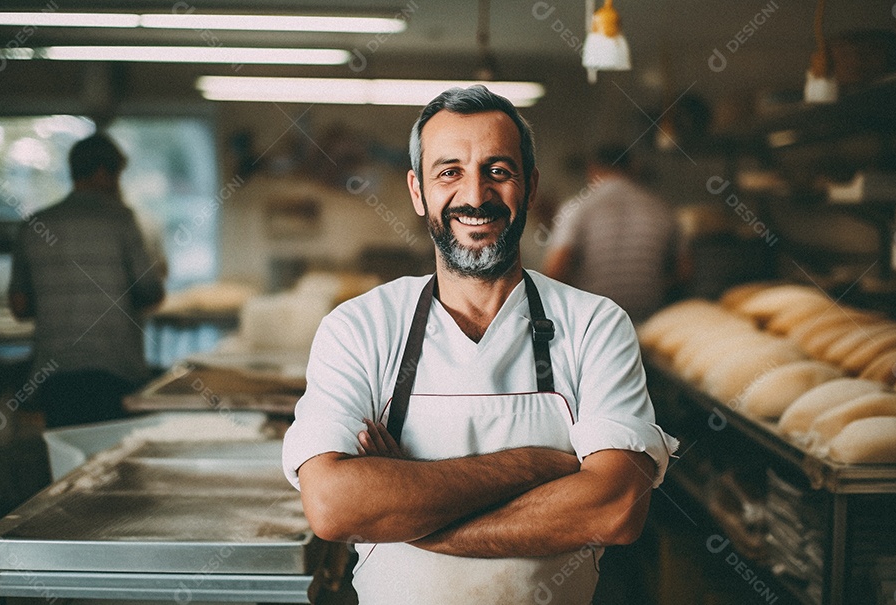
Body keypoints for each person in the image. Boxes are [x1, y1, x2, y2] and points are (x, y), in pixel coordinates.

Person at [283, 85, 677, 604]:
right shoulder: (360, 327)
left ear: (530, 188)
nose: (474, 196)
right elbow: (335, 507)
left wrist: (410, 516)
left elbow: (615, 510)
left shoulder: (595, 325)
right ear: (417, 190)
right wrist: (541, 465)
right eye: (449, 172)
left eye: (498, 171)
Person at [9, 133, 165, 428]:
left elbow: (19, 307)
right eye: (117, 175)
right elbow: (150, 293)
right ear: (102, 173)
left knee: (69, 459)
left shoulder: (33, 225)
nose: (118, 184)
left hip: (55, 374)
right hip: (116, 370)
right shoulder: (121, 220)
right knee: (110, 463)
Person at [542, 145, 687, 322]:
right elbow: (684, 272)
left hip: (593, 322)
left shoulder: (576, 207)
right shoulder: (663, 210)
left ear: (592, 169)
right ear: (634, 167)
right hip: (647, 323)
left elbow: (555, 272)